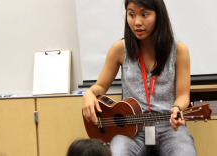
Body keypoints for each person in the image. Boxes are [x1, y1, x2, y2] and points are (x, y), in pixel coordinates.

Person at [82, 0, 197, 155]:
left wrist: (177, 109)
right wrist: (89, 93)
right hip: (130, 126)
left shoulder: (179, 50)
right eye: (131, 14)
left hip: (168, 125)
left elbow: (183, 95)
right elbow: (101, 86)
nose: (137, 22)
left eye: (144, 14)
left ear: (158, 15)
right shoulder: (119, 49)